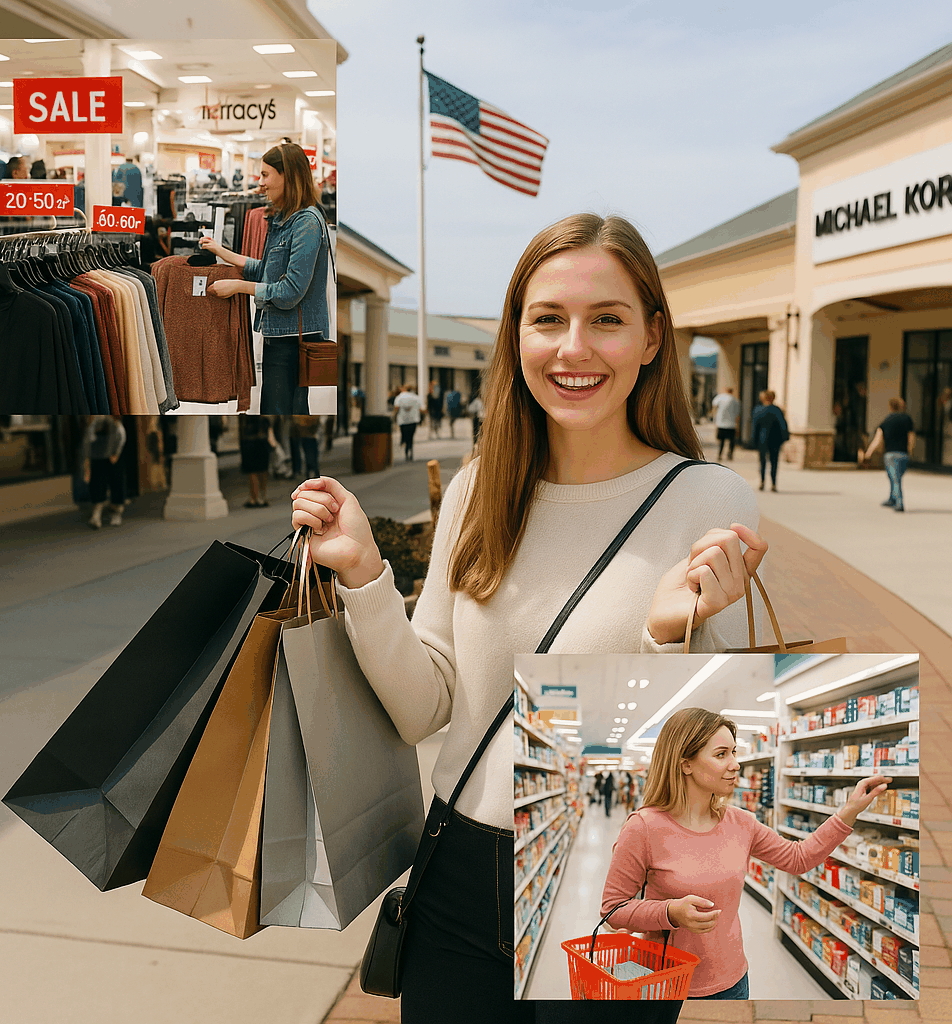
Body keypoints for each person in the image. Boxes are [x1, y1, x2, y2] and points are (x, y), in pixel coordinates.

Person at [290, 212, 770, 1024]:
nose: (573, 349)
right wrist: (366, 574)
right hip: (456, 867)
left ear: (652, 338)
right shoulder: (480, 486)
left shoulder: (709, 499)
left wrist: (663, 638)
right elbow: (426, 707)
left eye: (606, 320)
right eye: (547, 319)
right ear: (516, 336)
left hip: (607, 874)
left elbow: (710, 752)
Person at [600, 707, 891, 1000]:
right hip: (664, 984)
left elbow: (798, 858)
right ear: (686, 764)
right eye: (721, 754)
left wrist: (850, 810)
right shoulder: (644, 828)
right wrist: (670, 913)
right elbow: (612, 911)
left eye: (734, 752)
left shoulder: (741, 823)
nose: (735, 764)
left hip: (732, 982)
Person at [198, 142, 331, 417]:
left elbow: (289, 291)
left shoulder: (306, 222)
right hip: (281, 335)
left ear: (288, 176)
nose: (261, 183)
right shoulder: (283, 218)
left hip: (293, 341)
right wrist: (223, 252)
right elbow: (268, 271)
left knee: (281, 413)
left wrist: (238, 287)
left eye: (265, 174)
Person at [861, 396, 916, 512]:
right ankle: (892, 498)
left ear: (890, 407)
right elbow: (911, 437)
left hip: (890, 455)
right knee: (895, 477)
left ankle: (899, 502)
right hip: (903, 454)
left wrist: (868, 453)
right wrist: (910, 450)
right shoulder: (907, 419)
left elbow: (877, 440)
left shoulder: (886, 422)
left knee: (894, 478)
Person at [82, 415, 127, 529]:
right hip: (98, 458)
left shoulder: (115, 424)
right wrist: (88, 459)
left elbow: (121, 437)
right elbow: (88, 440)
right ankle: (96, 516)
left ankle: (116, 513)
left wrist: (116, 454)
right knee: (98, 485)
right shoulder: (95, 423)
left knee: (116, 484)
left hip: (112, 458)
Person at [751, 389, 788, 492]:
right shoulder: (777, 410)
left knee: (762, 461)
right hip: (775, 440)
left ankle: (762, 481)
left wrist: (753, 440)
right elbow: (783, 425)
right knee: (774, 462)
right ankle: (773, 483)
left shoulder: (758, 410)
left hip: (762, 439)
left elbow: (754, 426)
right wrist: (785, 437)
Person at [238, 415, 276, 508]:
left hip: (249, 445)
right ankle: (262, 497)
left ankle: (254, 498)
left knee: (252, 473)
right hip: (262, 445)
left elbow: (242, 432)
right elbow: (270, 432)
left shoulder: (245, 418)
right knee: (262, 471)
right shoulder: (264, 419)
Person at [394, 382, 423, 461]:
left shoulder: (399, 397)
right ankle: (410, 449)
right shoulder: (416, 397)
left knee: (405, 435)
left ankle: (406, 449)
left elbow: (396, 408)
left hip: (402, 420)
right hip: (413, 420)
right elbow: (421, 408)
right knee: (411, 436)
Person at [711, 386, 741, 460]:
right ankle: (730, 454)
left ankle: (720, 454)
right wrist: (737, 425)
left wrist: (715, 418)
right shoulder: (735, 400)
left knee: (722, 441)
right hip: (731, 424)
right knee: (731, 441)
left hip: (721, 423)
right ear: (732, 391)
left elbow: (714, 405)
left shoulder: (720, 397)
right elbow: (738, 414)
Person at [289, 414, 321, 481]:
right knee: (309, 452)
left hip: (307, 432)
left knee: (309, 452)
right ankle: (311, 471)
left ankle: (311, 471)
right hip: (307, 433)